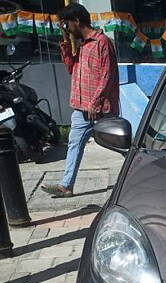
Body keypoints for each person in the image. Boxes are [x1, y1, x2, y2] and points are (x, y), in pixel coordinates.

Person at [41, 4, 119, 198]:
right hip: (80, 108)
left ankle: (137, 175)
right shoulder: (81, 45)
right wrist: (66, 41)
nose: (65, 28)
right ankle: (66, 185)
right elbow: (70, 68)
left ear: (76, 21)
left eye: (66, 24)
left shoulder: (102, 42)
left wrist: (96, 102)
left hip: (101, 109)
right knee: (74, 144)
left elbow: (107, 76)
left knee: (118, 145)